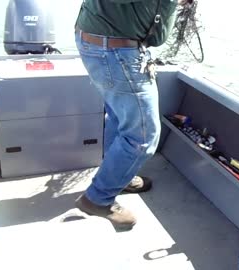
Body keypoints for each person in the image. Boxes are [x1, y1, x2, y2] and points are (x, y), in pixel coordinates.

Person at [73, 0, 187, 231]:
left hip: (103, 45)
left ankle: (118, 178)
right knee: (143, 137)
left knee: (119, 117)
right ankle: (98, 198)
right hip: (114, 51)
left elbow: (156, 35)